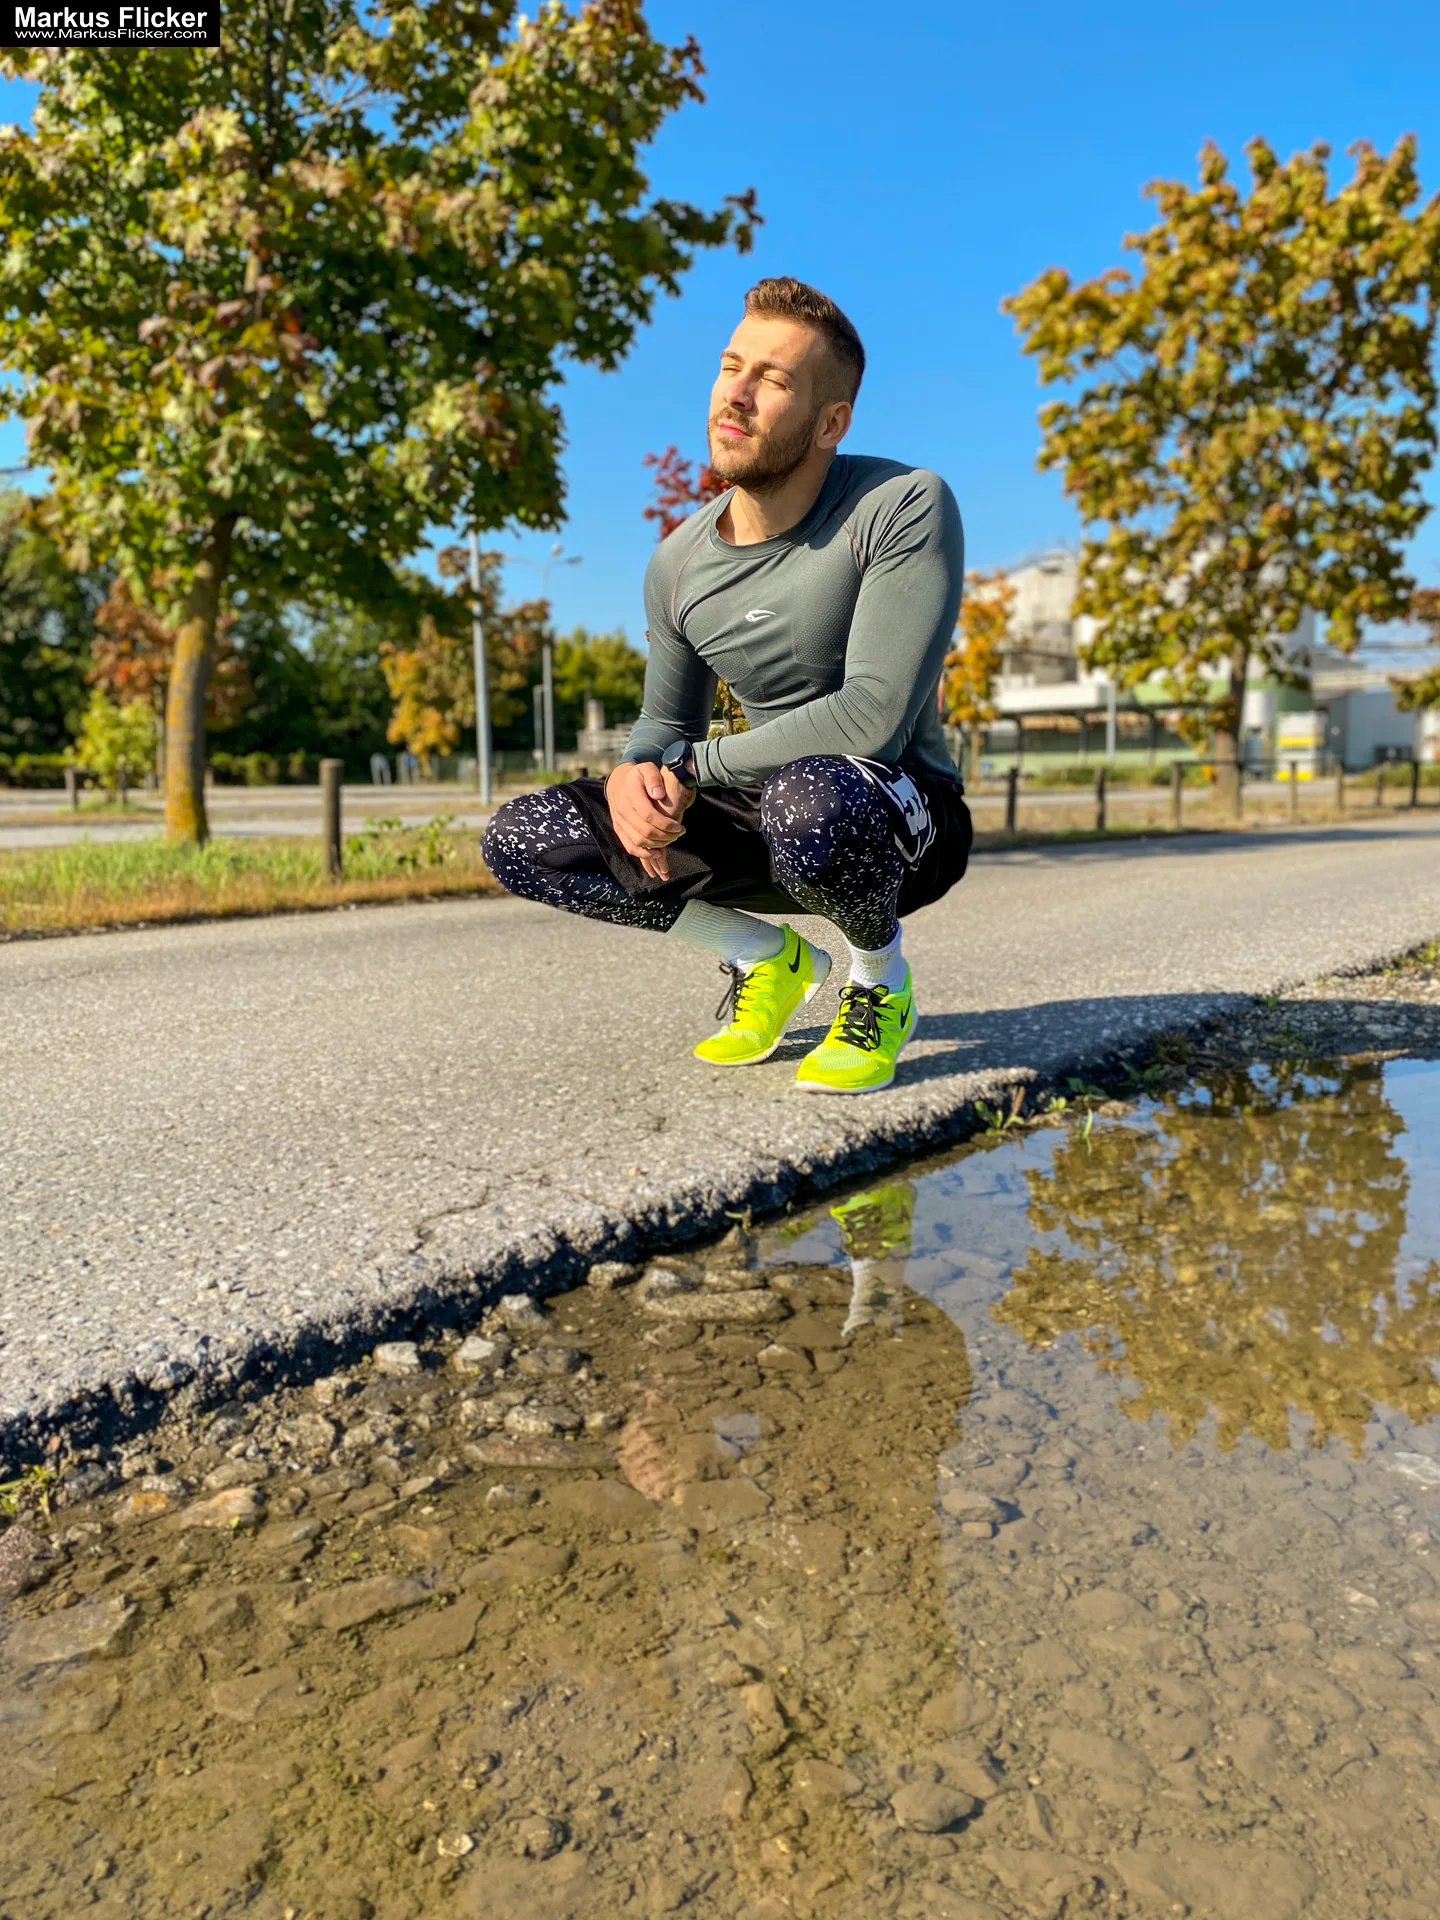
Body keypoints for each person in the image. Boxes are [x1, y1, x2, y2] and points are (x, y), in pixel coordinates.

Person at [483, 276, 971, 1095]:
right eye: (729, 367)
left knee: (811, 801)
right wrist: (639, 777)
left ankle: (880, 980)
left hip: (895, 811)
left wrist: (691, 769)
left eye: (772, 380)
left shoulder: (901, 505)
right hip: (764, 802)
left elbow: (871, 717)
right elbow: (663, 723)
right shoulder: (678, 561)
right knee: (524, 837)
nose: (734, 397)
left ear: (830, 423)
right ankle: (763, 957)